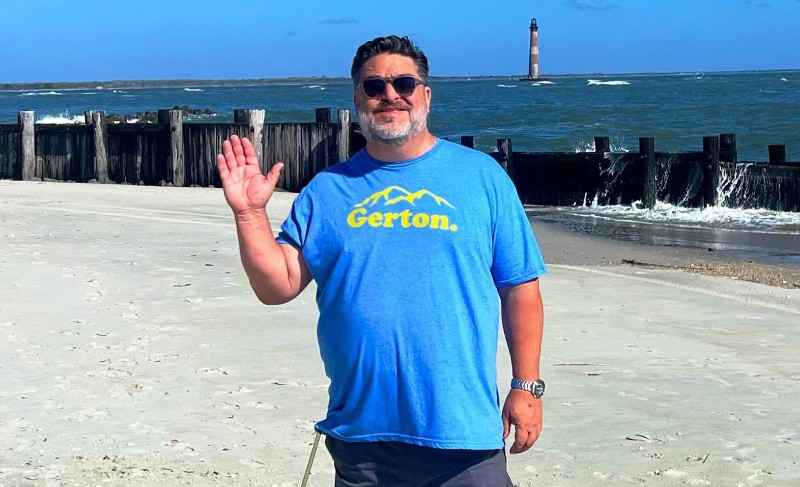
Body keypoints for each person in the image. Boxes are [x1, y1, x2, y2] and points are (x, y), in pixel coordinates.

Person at [216, 35, 546, 487]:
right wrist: (250, 214)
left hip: (463, 435)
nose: (390, 95)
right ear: (357, 101)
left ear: (425, 95)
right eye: (374, 88)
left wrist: (526, 387)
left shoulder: (482, 178)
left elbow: (520, 288)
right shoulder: (327, 191)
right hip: (361, 439)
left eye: (404, 83)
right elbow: (277, 286)